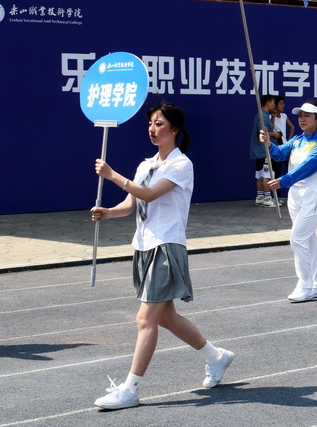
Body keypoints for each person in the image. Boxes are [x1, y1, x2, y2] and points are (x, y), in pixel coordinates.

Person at [89, 103, 234, 409]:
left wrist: (112, 175)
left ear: (175, 129)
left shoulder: (181, 165)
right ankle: (217, 356)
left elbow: (150, 194)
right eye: (150, 124)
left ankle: (130, 389)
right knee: (165, 316)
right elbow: (132, 203)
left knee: (145, 319)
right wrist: (108, 212)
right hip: (143, 246)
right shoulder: (145, 165)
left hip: (166, 246)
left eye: (159, 124)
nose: (152, 129)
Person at [260, 101, 317, 302]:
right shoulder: (297, 140)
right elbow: (279, 153)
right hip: (296, 195)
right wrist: (268, 143)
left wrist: (284, 180)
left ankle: (305, 285)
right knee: (308, 239)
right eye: (300, 115)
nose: (302, 119)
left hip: (313, 194)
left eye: (307, 116)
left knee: (298, 239)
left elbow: (309, 166)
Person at [253, 94, 281, 206]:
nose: (274, 105)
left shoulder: (264, 116)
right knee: (266, 175)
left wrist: (273, 118)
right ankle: (267, 199)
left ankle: (260, 197)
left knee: (260, 174)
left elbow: (268, 128)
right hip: (264, 151)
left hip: (260, 151)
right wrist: (275, 134)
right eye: (273, 103)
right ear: (268, 103)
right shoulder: (262, 116)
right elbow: (263, 132)